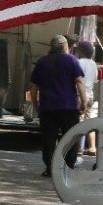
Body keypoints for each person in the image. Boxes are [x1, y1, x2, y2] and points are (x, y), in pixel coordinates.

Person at [29, 35, 87, 177]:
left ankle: (50, 168)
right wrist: (84, 102)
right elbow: (79, 81)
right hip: (69, 107)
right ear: (65, 46)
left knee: (48, 139)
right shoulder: (72, 60)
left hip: (48, 108)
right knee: (70, 138)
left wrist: (36, 105)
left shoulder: (41, 62)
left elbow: (33, 87)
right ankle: (68, 167)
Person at [76, 40, 98, 156]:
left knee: (79, 122)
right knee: (89, 122)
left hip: (81, 95)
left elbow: (78, 79)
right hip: (90, 96)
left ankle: (79, 149)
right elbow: (95, 79)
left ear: (81, 51)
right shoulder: (93, 64)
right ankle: (92, 147)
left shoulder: (79, 62)